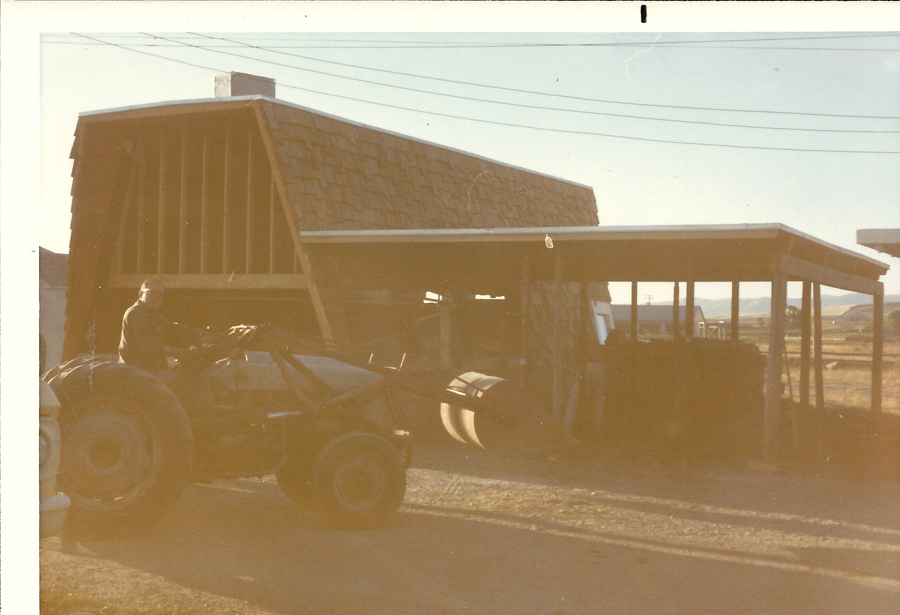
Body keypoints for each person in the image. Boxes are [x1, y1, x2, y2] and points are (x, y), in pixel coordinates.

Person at [118, 278, 213, 373]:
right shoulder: (136, 312)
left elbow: (173, 328)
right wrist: (179, 352)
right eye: (152, 293)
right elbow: (149, 345)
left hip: (149, 372)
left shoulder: (153, 314)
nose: (156, 297)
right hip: (135, 373)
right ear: (141, 294)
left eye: (160, 295)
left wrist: (200, 336)